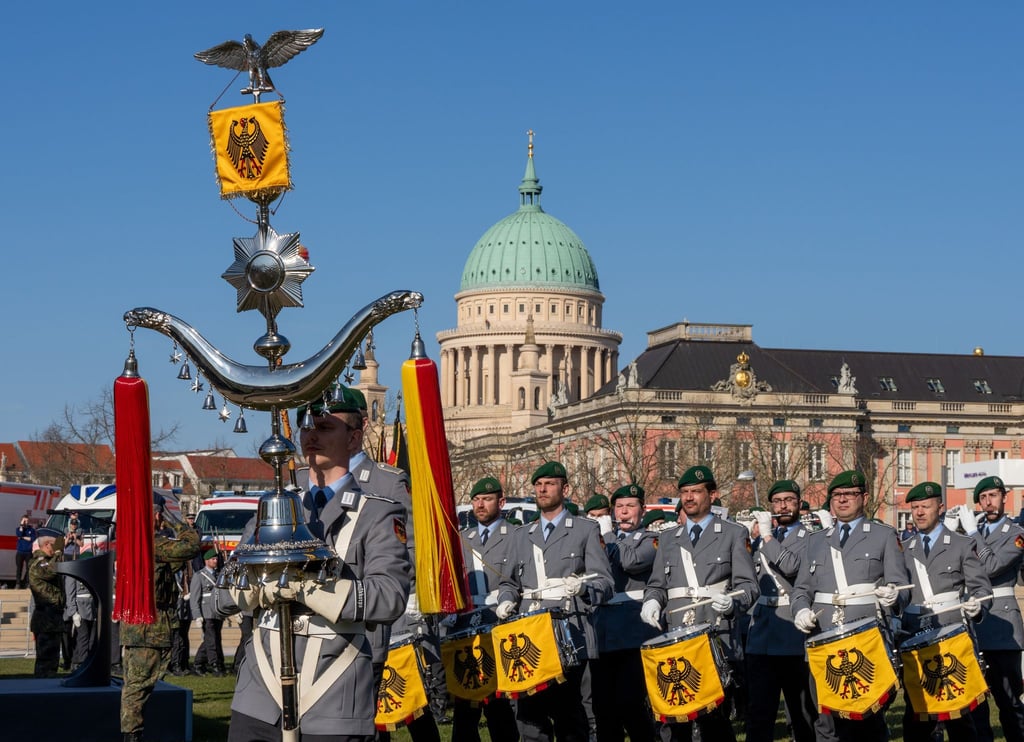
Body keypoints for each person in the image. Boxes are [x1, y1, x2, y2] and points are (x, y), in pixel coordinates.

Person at [225, 391, 411, 742]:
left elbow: (389, 597)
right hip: (260, 692)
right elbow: (229, 581)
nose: (311, 435)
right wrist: (253, 588)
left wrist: (308, 588)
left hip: (333, 688)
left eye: (325, 427)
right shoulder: (278, 501)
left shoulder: (378, 509)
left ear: (354, 437)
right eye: (306, 426)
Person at [496, 461, 613, 742]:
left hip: (570, 633)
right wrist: (506, 599)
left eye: (549, 483)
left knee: (570, 717)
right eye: (538, 485)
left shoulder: (584, 529)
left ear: (565, 488)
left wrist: (584, 590)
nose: (542, 489)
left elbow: (605, 583)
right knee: (530, 719)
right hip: (530, 636)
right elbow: (508, 581)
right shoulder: (521, 534)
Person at [641, 465, 759, 742]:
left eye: (696, 491)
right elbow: (657, 584)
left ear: (713, 494)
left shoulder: (732, 533)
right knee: (677, 724)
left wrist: (732, 603)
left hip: (716, 638)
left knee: (715, 725)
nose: (689, 497)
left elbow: (749, 586)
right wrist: (651, 602)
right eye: (684, 492)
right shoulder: (669, 538)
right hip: (677, 641)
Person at [790, 470, 906, 742]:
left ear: (863, 498)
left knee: (869, 722)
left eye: (849, 494)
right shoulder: (815, 540)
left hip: (866, 643)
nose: (842, 500)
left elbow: (901, 585)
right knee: (826, 724)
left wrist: (894, 595)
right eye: (837, 495)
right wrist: (800, 610)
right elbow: (802, 588)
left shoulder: (883, 536)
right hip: (823, 641)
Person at [898, 481, 991, 741]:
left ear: (940, 508)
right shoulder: (905, 548)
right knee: (917, 713)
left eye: (925, 506)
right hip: (915, 636)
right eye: (914, 507)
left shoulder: (961, 544)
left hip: (952, 635)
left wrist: (977, 605)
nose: (918, 512)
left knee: (960, 714)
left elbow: (981, 588)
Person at [120, 494, 201, 742]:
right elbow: (192, 544)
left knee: (139, 686)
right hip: (148, 628)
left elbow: (170, 568)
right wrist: (176, 521)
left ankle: (133, 734)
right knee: (138, 688)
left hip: (142, 626)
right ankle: (131, 736)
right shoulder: (150, 543)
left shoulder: (136, 543)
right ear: (156, 515)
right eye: (160, 514)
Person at [744, 480, 819, 742]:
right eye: (777, 501)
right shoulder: (765, 539)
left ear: (798, 503)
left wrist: (765, 537)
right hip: (762, 632)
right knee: (759, 713)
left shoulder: (810, 538)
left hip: (792, 632)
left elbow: (791, 567)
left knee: (802, 713)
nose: (782, 506)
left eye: (788, 500)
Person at [448, 476, 518, 742]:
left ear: (501, 502)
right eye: (476, 499)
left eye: (487, 499)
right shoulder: (463, 539)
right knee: (466, 709)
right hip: (467, 628)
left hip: (500, 624)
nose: (480, 504)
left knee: (499, 707)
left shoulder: (515, 535)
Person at [591, 483, 657, 742]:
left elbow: (631, 561)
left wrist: (608, 536)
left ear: (643, 509)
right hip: (603, 632)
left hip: (633, 632)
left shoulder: (652, 539)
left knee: (632, 706)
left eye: (630, 506)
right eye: (619, 507)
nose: (624, 512)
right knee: (604, 710)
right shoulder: (602, 539)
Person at [962, 475, 1024, 742]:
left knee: (1009, 703)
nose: (988, 502)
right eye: (983, 498)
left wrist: (972, 535)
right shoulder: (971, 532)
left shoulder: (1017, 534)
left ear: (1004, 497)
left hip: (1001, 624)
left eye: (993, 496)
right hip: (974, 625)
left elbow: (991, 567)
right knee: (976, 706)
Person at [28, 528, 65, 677]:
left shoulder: (46, 562)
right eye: (54, 545)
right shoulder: (37, 563)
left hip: (53, 619)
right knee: (45, 664)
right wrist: (58, 553)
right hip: (45, 618)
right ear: (47, 545)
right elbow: (51, 571)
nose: (56, 549)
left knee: (52, 662)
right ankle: (41, 692)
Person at [190, 548, 226, 676]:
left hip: (217, 612)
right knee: (211, 640)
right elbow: (195, 597)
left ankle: (198, 664)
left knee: (213, 638)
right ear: (206, 561)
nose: (215, 561)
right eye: (213, 559)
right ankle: (214, 664)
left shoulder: (218, 575)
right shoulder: (199, 575)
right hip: (206, 613)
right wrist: (197, 615)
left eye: (216, 559)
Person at [64, 550, 98, 671]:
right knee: (82, 638)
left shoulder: (93, 573)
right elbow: (70, 593)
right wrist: (74, 612)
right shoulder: (74, 574)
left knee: (92, 638)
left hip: (92, 609)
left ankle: (87, 661)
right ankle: (80, 662)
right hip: (80, 608)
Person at [15, 515, 36, 589]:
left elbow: (32, 539)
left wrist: (22, 537)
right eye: (24, 521)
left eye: (27, 521)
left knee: (29, 569)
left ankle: (27, 583)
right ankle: (18, 583)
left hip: (28, 552)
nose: (26, 522)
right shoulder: (18, 529)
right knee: (19, 568)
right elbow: (19, 534)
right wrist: (21, 525)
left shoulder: (32, 530)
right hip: (20, 552)